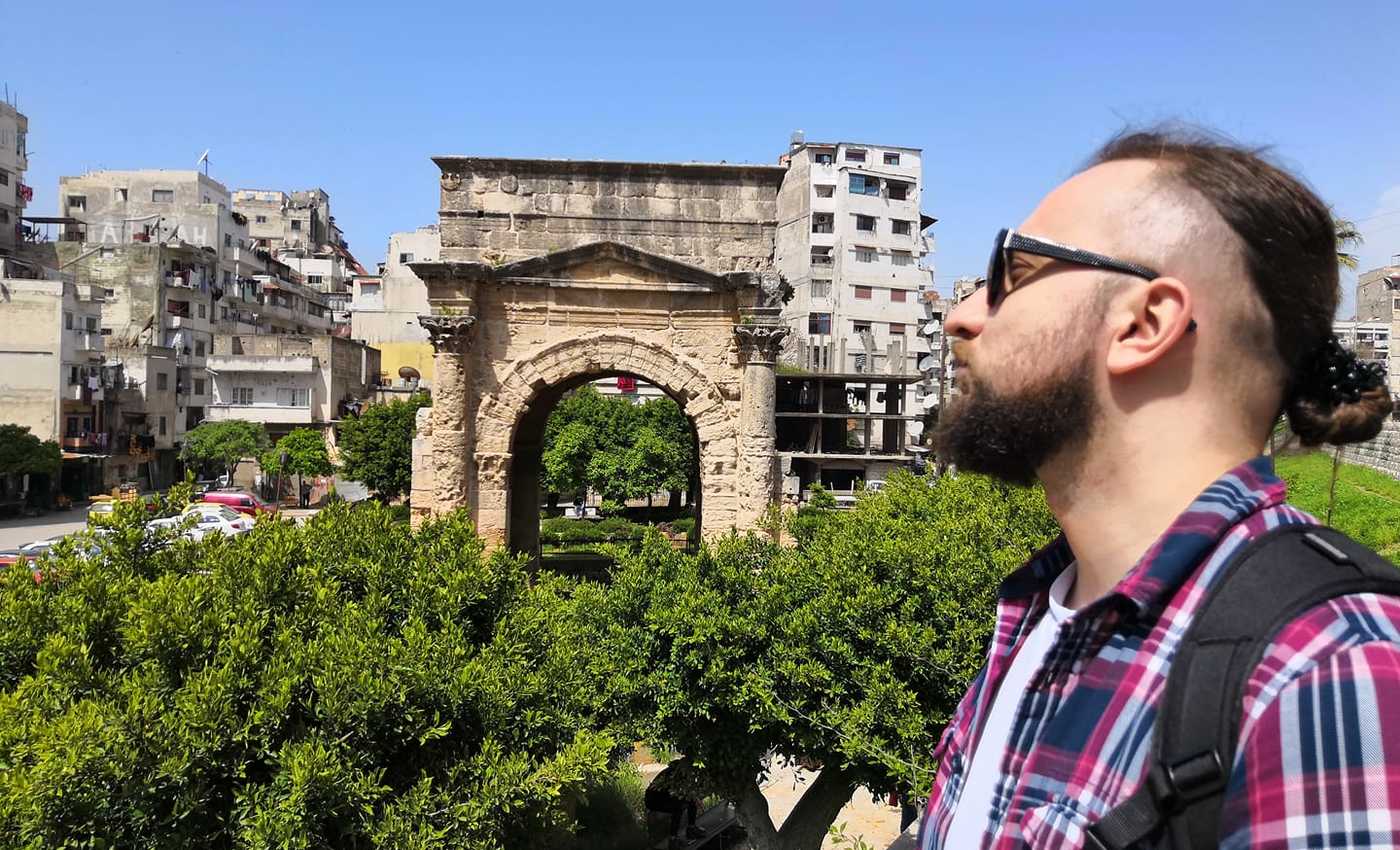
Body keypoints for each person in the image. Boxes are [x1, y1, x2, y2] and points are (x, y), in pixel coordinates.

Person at [918, 128, 1398, 849]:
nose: (963, 315)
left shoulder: (1327, 668)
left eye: (1011, 270)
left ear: (1144, 324)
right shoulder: (1045, 613)